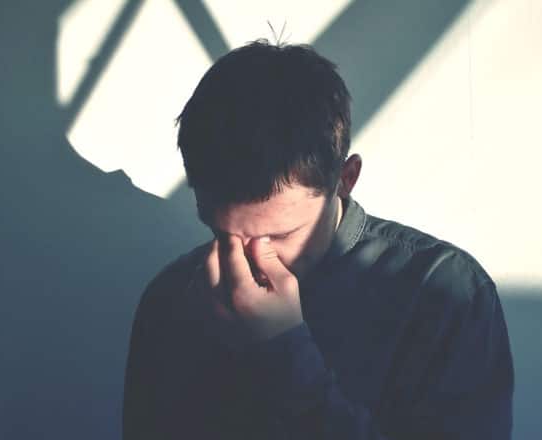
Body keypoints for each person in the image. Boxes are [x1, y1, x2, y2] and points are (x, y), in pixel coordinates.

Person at [122, 40, 513, 440]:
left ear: (345, 179)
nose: (245, 259)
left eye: (279, 234)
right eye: (220, 231)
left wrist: (283, 353)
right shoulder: (171, 297)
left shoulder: (445, 294)